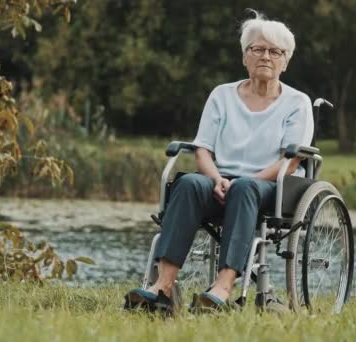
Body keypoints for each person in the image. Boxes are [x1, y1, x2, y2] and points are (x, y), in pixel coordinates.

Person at [125, 10, 313, 313]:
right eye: (257, 49)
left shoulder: (297, 102)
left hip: (269, 186)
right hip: (220, 180)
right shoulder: (222, 95)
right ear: (244, 56)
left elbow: (289, 162)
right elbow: (202, 150)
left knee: (245, 189)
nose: (265, 56)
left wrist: (246, 181)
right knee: (187, 183)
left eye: (275, 51)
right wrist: (215, 179)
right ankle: (163, 286)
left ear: (286, 61)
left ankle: (223, 287)